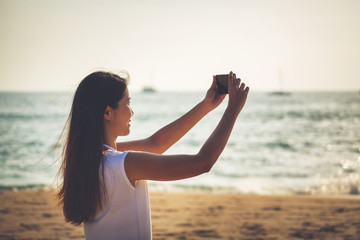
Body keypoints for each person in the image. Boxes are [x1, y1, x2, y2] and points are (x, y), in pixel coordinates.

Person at [57, 70, 249, 240]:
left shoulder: (89, 158)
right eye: (127, 103)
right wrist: (232, 110)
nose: (132, 112)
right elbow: (202, 163)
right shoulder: (122, 164)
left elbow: (156, 144)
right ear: (108, 112)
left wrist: (206, 105)